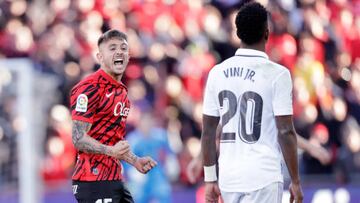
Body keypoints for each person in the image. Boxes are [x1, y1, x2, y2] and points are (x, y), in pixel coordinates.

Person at [201, 2, 303, 203]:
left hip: (229, 178)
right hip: (263, 176)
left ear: (238, 33)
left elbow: (208, 131)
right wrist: (296, 181)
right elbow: (285, 131)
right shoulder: (278, 74)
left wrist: (210, 179)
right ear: (267, 33)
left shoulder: (217, 73)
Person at [70, 29, 157, 203]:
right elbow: (78, 138)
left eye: (123, 48)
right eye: (112, 48)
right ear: (100, 57)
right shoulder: (89, 88)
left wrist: (135, 161)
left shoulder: (122, 93)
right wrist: (111, 151)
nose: (119, 52)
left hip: (114, 178)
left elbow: (113, 141)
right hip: (92, 180)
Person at [186, 125, 331, 184]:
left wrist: (199, 159)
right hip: (255, 175)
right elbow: (284, 131)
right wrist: (313, 148)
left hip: (236, 176)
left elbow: (212, 130)